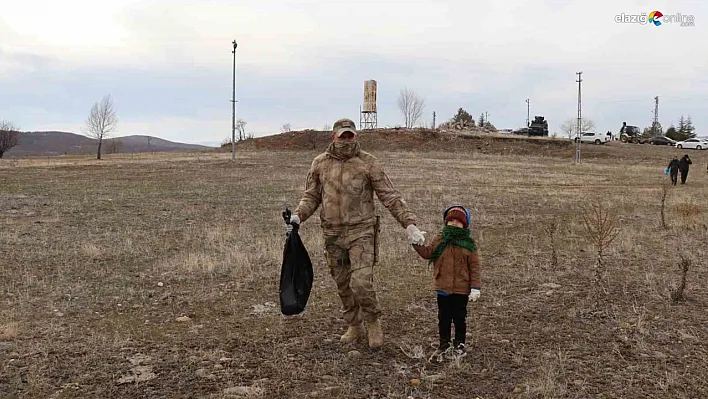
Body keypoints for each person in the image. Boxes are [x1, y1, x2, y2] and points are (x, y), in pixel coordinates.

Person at [288, 118, 425, 348]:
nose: (347, 140)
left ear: (356, 136)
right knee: (342, 282)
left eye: (350, 135)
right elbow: (311, 196)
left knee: (361, 282)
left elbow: (389, 195)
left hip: (361, 231)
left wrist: (409, 224)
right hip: (332, 232)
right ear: (334, 137)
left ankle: (373, 322)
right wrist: (298, 216)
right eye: (343, 136)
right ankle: (354, 324)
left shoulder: (368, 163)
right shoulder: (320, 164)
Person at [411, 205, 481, 361]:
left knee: (459, 317)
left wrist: (475, 287)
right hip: (442, 288)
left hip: (461, 290)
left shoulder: (469, 244)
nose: (454, 223)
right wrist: (416, 243)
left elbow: (474, 267)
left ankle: (460, 344)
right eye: (451, 220)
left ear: (465, 224)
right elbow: (428, 253)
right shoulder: (440, 239)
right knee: (443, 317)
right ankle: (444, 344)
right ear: (446, 222)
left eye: (458, 221)